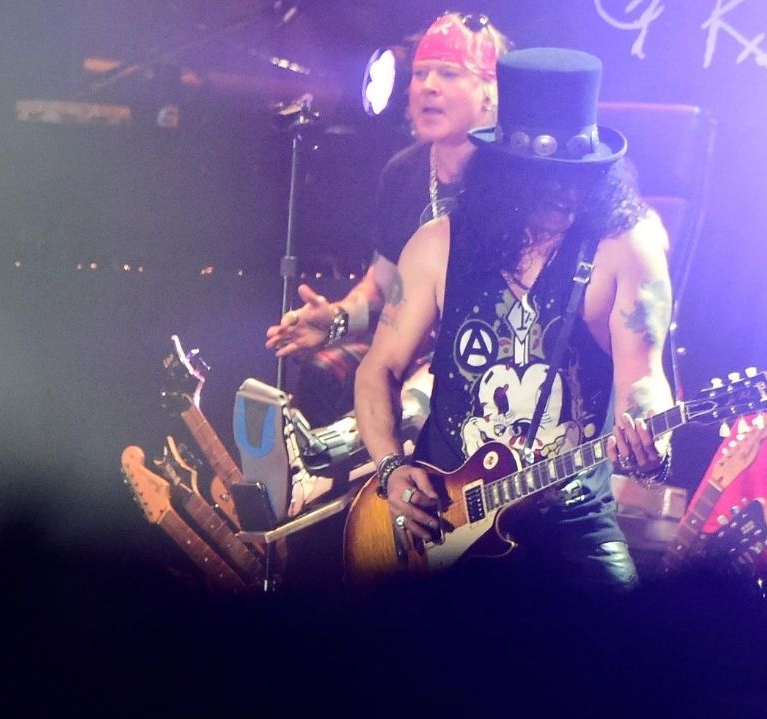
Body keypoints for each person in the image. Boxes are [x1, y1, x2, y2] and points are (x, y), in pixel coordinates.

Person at [353, 47, 673, 590]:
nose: (564, 193)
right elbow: (377, 369)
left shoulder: (625, 246)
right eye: (544, 178)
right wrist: (390, 469)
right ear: (503, 174)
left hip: (570, 520)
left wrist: (649, 440)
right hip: (444, 517)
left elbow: (642, 376)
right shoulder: (438, 243)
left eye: (577, 176)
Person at [266, 13, 511, 382]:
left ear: (489, 91)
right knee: (323, 375)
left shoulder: (515, 176)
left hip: (493, 352)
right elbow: (384, 285)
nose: (428, 86)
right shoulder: (402, 173)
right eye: (420, 73)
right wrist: (336, 319)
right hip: (413, 346)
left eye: (448, 74)